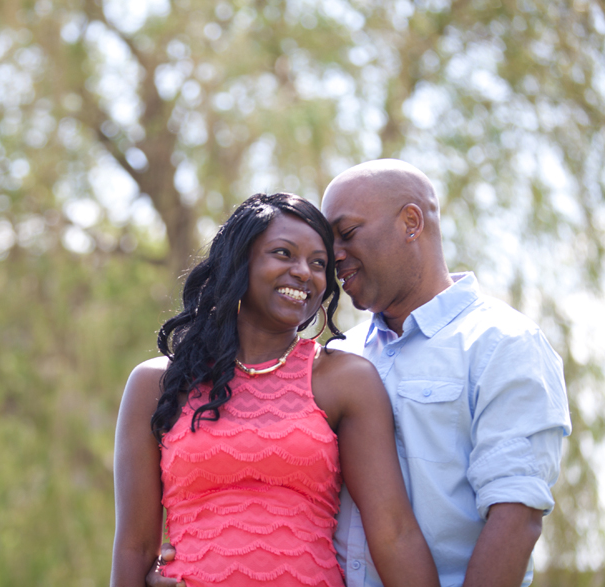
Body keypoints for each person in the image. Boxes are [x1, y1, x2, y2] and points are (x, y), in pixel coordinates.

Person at [146, 160, 572, 587]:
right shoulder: (338, 355)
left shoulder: (502, 343)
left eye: (346, 235)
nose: (335, 260)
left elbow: (516, 518)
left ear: (411, 222)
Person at [111, 193, 439, 587]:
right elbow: (134, 547)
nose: (304, 272)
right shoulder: (158, 384)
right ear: (240, 261)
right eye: (283, 254)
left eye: (319, 263)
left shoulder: (344, 380)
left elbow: (394, 532)